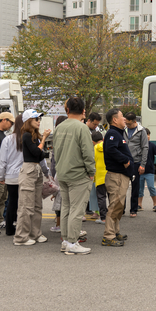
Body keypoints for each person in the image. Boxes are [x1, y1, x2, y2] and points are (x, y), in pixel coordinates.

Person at [54, 97, 96, 255]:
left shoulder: (59, 127)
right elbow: (87, 153)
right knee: (77, 210)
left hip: (63, 172)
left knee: (66, 207)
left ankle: (66, 241)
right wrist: (91, 172)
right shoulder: (82, 128)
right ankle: (72, 242)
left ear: (68, 109)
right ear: (84, 111)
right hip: (78, 174)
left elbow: (55, 151)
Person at [15, 110, 50, 246]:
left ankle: (35, 233)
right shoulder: (26, 136)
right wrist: (44, 138)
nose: (38, 121)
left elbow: (41, 156)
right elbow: (36, 152)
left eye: (39, 119)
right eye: (36, 118)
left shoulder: (34, 136)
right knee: (26, 206)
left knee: (37, 206)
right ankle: (21, 237)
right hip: (29, 170)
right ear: (28, 120)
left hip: (36, 170)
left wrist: (42, 140)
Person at [102, 108, 134, 246]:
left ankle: (115, 232)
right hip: (116, 176)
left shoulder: (118, 133)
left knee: (119, 206)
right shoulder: (113, 134)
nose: (125, 119)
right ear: (114, 120)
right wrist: (125, 160)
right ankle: (108, 236)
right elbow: (110, 149)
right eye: (122, 117)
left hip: (121, 176)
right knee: (115, 205)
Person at [0, 114, 26, 238]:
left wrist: (1, 176)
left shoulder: (8, 139)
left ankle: (9, 228)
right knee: (24, 203)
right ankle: (21, 226)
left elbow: (2, 160)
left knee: (12, 201)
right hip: (25, 175)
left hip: (11, 176)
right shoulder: (28, 138)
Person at [125, 112, 148, 217]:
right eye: (126, 123)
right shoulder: (123, 130)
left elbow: (145, 147)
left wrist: (143, 164)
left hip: (136, 162)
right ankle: (121, 209)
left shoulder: (141, 131)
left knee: (135, 187)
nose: (127, 125)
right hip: (125, 162)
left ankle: (133, 209)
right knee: (122, 187)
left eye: (129, 124)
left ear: (135, 121)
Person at [139, 129, 156, 213]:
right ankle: (139, 204)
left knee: (151, 187)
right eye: (146, 134)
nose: (147, 136)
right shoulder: (138, 145)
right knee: (139, 189)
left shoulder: (152, 145)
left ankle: (155, 204)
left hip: (150, 171)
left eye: (148, 134)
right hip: (139, 171)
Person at [92, 131, 108, 223]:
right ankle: (112, 217)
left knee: (101, 197)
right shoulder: (108, 147)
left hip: (99, 177)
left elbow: (92, 163)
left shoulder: (94, 149)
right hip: (110, 175)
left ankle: (103, 218)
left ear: (93, 141)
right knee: (111, 197)